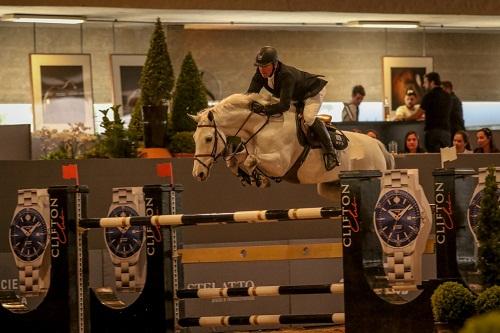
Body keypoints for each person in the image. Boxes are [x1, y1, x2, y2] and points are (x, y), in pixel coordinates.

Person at [247, 46, 337, 170]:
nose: (262, 69)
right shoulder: (259, 74)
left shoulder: (286, 75)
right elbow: (249, 96)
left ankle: (331, 152)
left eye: (265, 66)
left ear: (275, 64)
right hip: (296, 94)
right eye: (259, 66)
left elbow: (284, 105)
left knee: (308, 118)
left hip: (312, 91)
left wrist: (263, 109)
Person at [407, 72, 452, 152]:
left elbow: (418, 114)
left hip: (433, 133)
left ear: (432, 82)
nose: (424, 85)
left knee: (433, 159)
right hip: (446, 133)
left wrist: (405, 118)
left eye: (425, 82)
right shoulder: (448, 96)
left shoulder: (429, 96)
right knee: (446, 159)